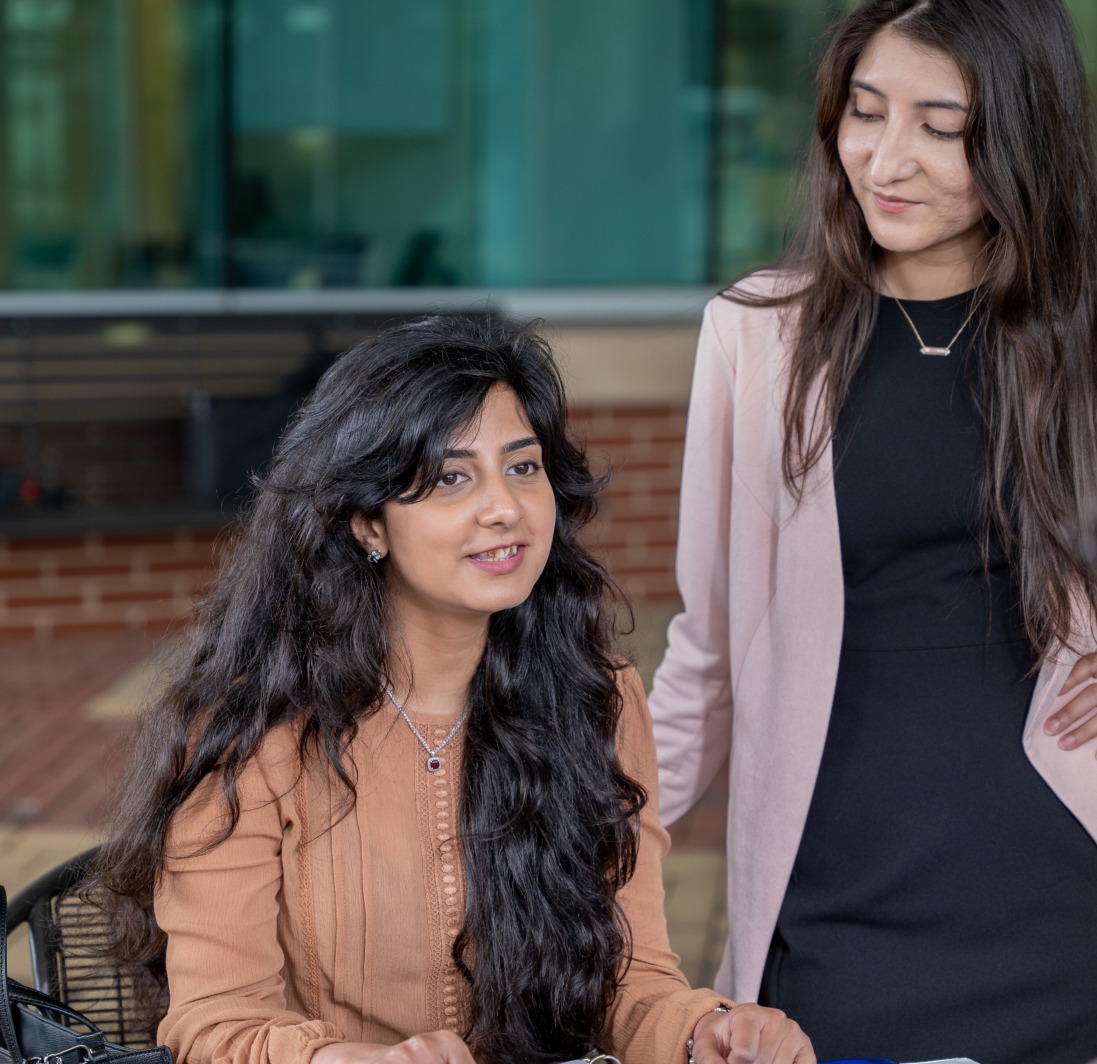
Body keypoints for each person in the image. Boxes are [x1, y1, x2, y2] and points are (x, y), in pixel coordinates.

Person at [89, 315, 814, 1064]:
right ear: (368, 523)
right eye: (451, 478)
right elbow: (218, 1021)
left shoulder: (596, 698)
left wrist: (710, 1032)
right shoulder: (252, 726)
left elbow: (631, 985)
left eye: (523, 467)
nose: (504, 507)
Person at [648, 1, 1097, 1062]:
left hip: (1060, 901)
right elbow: (704, 651)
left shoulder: (1079, 336)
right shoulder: (755, 337)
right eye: (863, 112)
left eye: (941, 127)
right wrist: (582, 855)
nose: (884, 159)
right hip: (835, 911)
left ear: (1023, 136)